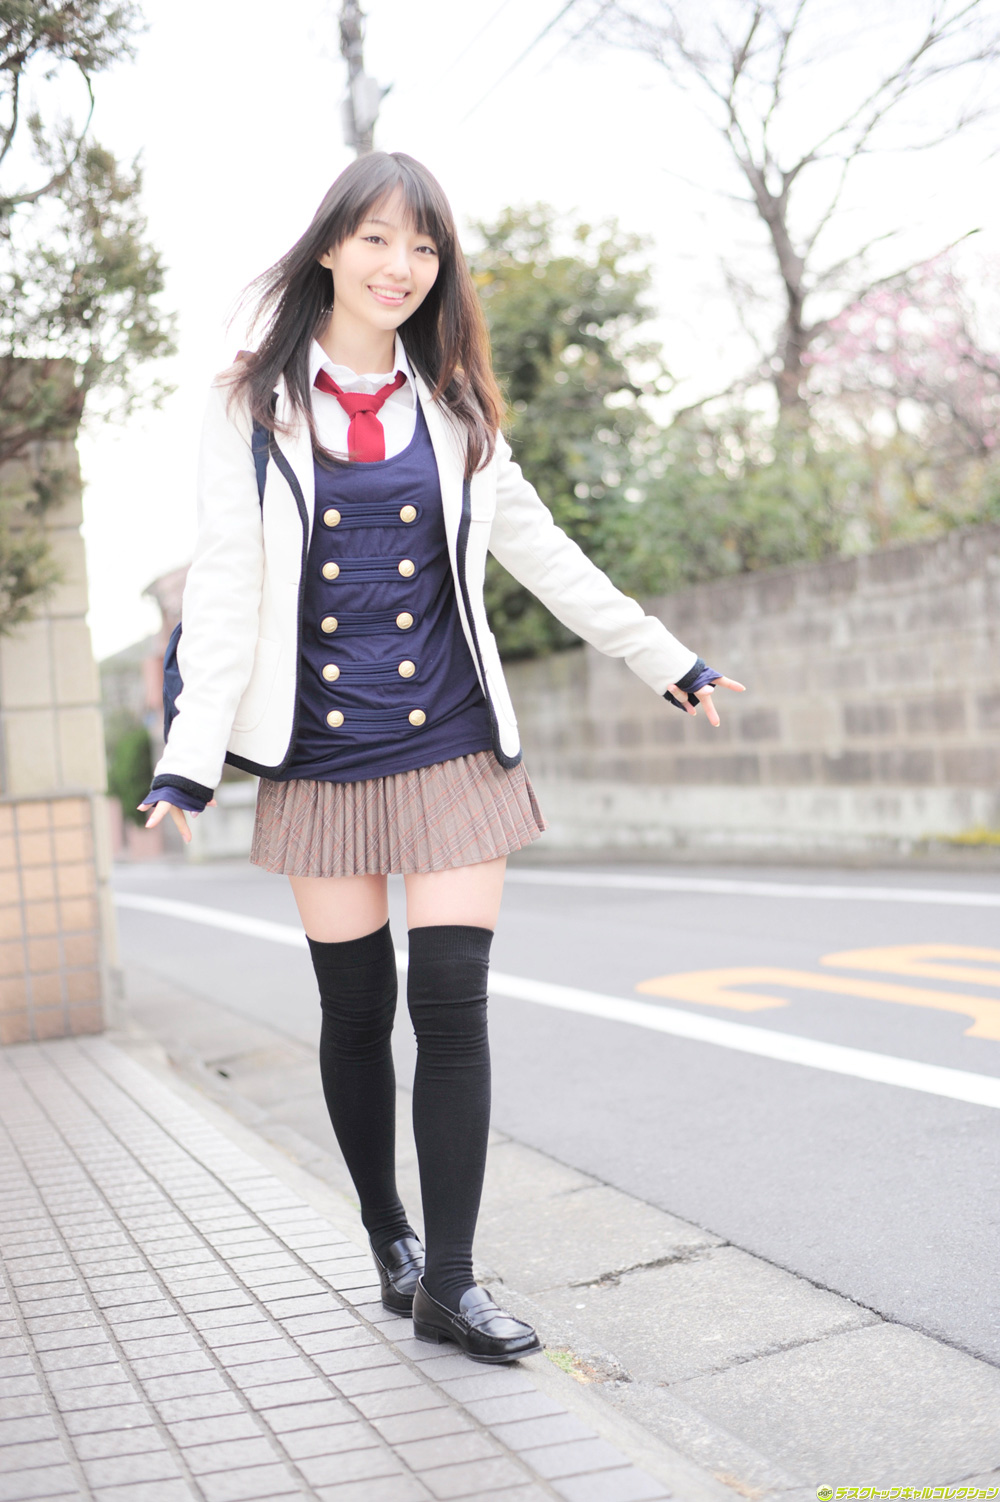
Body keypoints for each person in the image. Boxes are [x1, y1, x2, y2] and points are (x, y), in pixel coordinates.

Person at [139, 151, 745, 1364]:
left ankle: (452, 1283)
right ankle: (390, 1240)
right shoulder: (249, 404)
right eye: (376, 238)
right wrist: (187, 759)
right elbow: (227, 586)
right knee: (356, 1009)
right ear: (329, 248)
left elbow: (546, 553)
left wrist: (664, 656)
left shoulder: (456, 407)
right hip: (320, 746)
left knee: (452, 1004)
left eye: (422, 247)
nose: (400, 265)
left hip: (455, 736)